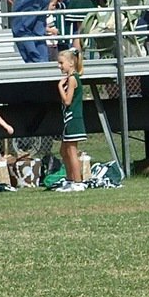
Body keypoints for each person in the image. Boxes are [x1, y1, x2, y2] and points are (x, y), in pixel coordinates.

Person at [56, 48, 86, 192]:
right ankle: (69, 180)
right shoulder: (70, 78)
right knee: (63, 151)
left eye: (61, 63)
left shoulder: (73, 78)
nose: (59, 66)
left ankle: (78, 182)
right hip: (68, 119)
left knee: (72, 151)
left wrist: (60, 87)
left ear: (71, 63)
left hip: (74, 119)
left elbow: (67, 101)